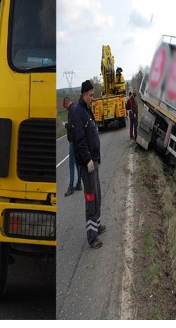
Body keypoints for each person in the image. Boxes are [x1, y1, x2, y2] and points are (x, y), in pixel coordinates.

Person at [71, 80, 105, 249]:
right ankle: (92, 237)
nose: (93, 97)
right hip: (88, 163)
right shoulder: (78, 113)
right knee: (91, 198)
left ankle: (97, 225)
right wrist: (88, 160)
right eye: (91, 95)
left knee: (97, 195)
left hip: (94, 160)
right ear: (84, 95)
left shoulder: (87, 110)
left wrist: (96, 157)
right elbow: (80, 140)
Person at [63, 97, 82, 197]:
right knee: (77, 163)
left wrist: (65, 125)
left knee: (71, 164)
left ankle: (71, 186)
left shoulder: (71, 111)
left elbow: (71, 125)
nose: (65, 108)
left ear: (67, 103)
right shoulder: (76, 108)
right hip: (77, 140)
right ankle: (79, 183)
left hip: (72, 141)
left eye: (65, 106)